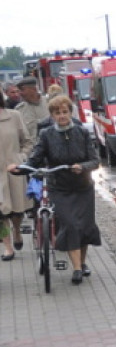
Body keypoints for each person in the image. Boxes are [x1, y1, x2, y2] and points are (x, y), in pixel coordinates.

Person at [8, 96, 100, 283]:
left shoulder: (81, 133)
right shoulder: (46, 134)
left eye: (65, 112)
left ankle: (82, 264)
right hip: (60, 188)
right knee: (71, 225)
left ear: (70, 113)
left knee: (84, 227)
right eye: (57, 113)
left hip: (83, 187)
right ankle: (75, 269)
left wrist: (82, 166)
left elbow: (95, 160)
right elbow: (35, 159)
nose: (62, 116)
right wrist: (19, 168)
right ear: (52, 115)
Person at [0, 93, 33, 260]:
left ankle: (17, 231)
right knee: (1, 212)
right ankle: (8, 247)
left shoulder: (14, 116)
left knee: (17, 210)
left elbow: (27, 141)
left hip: (14, 169)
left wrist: (21, 158)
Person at [15, 77, 49, 144]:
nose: (20, 93)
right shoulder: (19, 110)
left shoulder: (50, 103)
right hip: (31, 151)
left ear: (34, 89)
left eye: (22, 90)